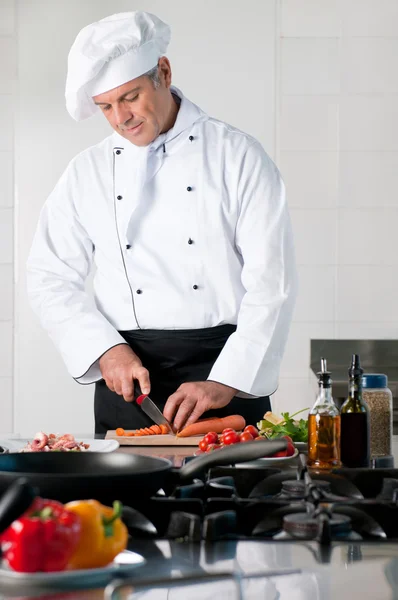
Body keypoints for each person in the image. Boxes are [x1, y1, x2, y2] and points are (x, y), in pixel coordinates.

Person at [27, 11, 298, 435]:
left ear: (164, 72)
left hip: (225, 374)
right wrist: (105, 351)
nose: (121, 117)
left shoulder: (237, 156)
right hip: (130, 384)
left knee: (234, 500)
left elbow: (273, 283)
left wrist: (226, 379)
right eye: (105, 107)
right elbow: (49, 277)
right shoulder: (87, 172)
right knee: (124, 502)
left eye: (130, 96)